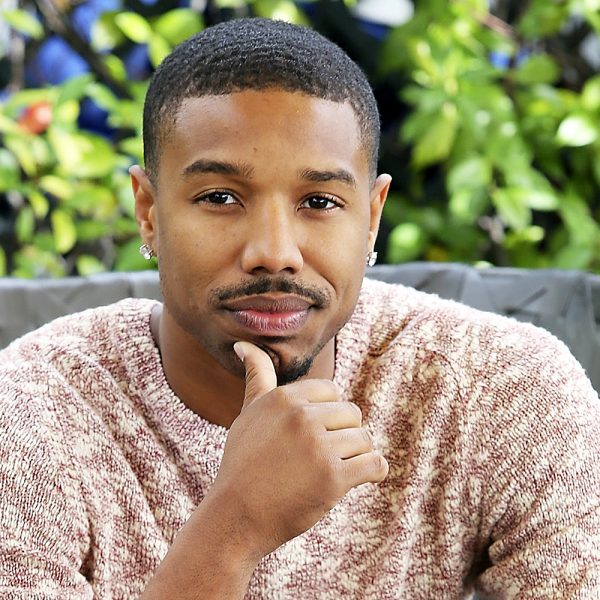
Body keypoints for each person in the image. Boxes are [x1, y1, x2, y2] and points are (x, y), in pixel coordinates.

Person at [1, 17, 599, 600]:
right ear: (149, 212)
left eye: (319, 201)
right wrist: (233, 529)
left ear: (372, 217)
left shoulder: (499, 389)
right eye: (220, 197)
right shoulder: (32, 415)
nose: (275, 253)